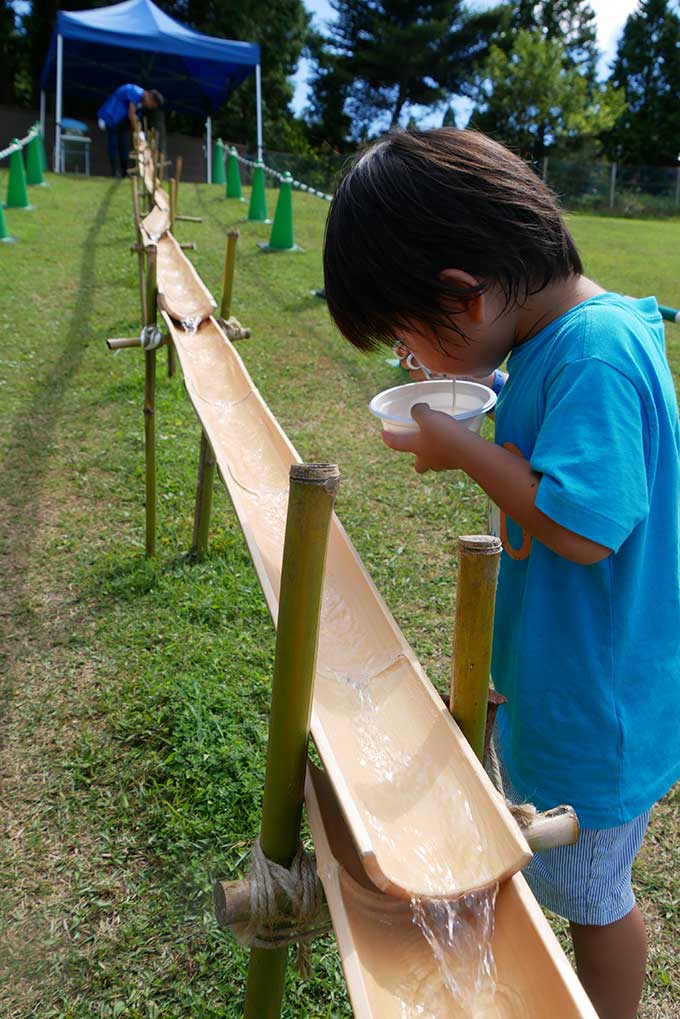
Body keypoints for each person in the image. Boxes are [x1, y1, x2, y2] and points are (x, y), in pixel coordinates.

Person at [322, 128, 680, 1019]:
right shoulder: (555, 341)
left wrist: (465, 450)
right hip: (563, 685)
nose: (415, 365)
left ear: (464, 297)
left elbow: (584, 528)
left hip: (597, 713)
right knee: (570, 883)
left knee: (597, 901)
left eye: (408, 344)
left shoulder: (593, 353)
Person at [97, 85, 164, 176]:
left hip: (121, 122)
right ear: (150, 97)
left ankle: (124, 172)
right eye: (151, 105)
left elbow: (135, 117)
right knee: (113, 145)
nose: (149, 107)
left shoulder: (140, 101)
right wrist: (139, 133)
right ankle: (114, 172)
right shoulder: (135, 92)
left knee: (123, 145)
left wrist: (137, 131)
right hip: (112, 118)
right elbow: (131, 114)